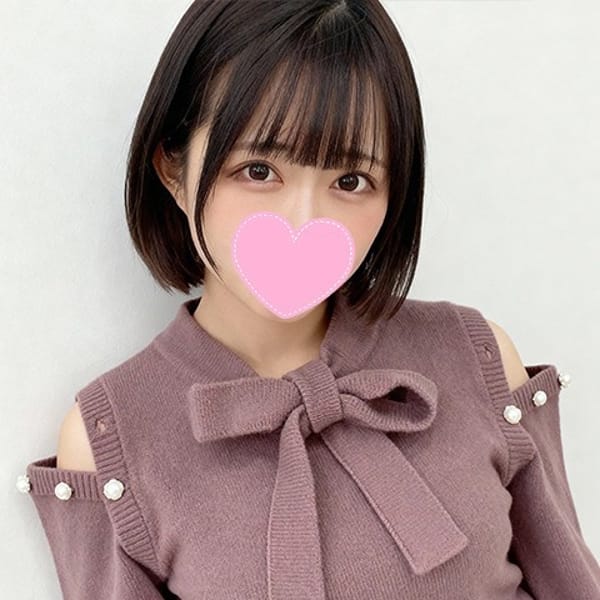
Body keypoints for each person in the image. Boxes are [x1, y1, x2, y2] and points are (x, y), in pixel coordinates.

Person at [18, 1, 600, 599]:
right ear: (173, 167)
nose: (303, 220)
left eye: (350, 181)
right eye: (258, 170)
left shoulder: (474, 357)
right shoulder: (113, 438)